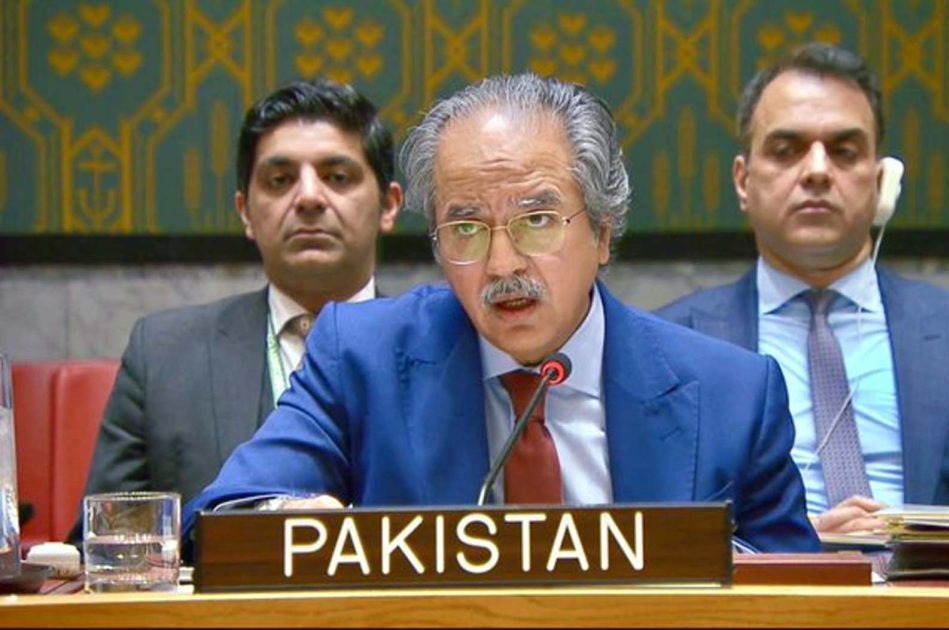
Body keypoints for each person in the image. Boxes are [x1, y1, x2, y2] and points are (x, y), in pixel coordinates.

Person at [182, 73, 818, 553]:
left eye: (537, 220)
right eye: (465, 228)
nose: (501, 264)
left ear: (602, 233)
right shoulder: (360, 358)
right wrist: (285, 520)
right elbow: (221, 517)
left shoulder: (733, 394)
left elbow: (797, 592)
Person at [657, 43, 949, 534]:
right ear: (742, 181)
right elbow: (652, 538)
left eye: (844, 151)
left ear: (881, 182)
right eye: (786, 150)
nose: (817, 171)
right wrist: (798, 548)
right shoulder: (671, 343)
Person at [75, 79, 404, 534]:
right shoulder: (164, 355)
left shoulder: (447, 350)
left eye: (337, 177)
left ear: (389, 205)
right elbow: (107, 542)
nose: (308, 197)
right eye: (280, 180)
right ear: (246, 211)